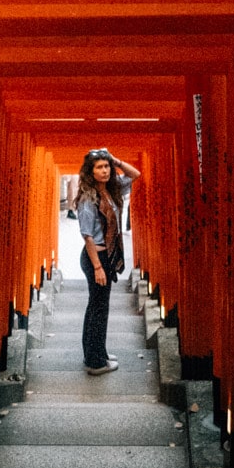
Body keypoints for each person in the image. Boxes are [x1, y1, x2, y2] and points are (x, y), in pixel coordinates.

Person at [75, 147, 141, 375]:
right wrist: (98, 267)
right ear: (90, 172)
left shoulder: (111, 190)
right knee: (98, 308)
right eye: (99, 167)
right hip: (96, 256)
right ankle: (95, 362)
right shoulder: (88, 199)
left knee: (97, 306)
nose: (104, 171)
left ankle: (96, 353)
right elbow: (87, 236)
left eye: (106, 167)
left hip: (107, 255)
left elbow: (135, 174)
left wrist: (116, 160)